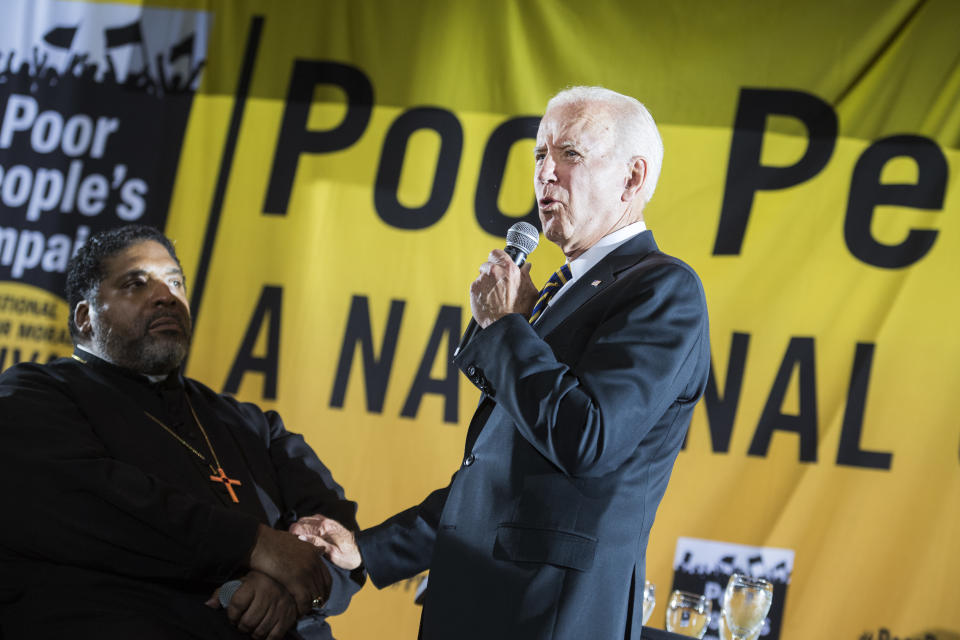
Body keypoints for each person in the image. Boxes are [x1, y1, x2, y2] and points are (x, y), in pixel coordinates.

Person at [296, 86, 711, 639]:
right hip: (473, 603)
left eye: (570, 154)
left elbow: (587, 439)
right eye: (540, 154)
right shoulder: (561, 292)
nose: (545, 173)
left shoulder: (662, 288)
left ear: (632, 179)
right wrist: (368, 552)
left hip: (550, 615)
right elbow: (495, 482)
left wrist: (508, 327)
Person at [0, 225, 363, 640]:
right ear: (86, 317)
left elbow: (337, 533)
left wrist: (284, 588)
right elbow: (90, 503)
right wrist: (255, 545)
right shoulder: (34, 394)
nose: (166, 296)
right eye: (137, 283)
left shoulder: (255, 426)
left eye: (175, 282)